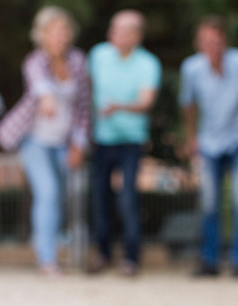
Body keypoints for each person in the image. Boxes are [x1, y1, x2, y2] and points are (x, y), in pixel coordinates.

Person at [0, 6, 90, 276]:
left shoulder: (78, 61)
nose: (61, 36)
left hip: (63, 141)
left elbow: (83, 107)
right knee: (47, 192)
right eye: (55, 31)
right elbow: (39, 84)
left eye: (65, 30)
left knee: (61, 197)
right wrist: (47, 97)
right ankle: (46, 260)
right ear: (43, 35)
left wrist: (79, 143)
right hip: (34, 139)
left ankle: (54, 250)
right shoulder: (34, 60)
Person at [179, 15, 238, 277]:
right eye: (206, 42)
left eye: (217, 41)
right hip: (209, 142)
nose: (212, 47)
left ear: (225, 42)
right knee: (209, 203)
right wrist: (191, 137)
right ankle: (210, 262)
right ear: (199, 43)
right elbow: (187, 104)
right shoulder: (192, 69)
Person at [88, 10, 162, 276]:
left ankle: (131, 258)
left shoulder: (148, 64)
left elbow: (146, 102)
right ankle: (103, 254)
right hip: (102, 139)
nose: (113, 33)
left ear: (135, 36)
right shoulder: (98, 55)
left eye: (119, 29)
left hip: (131, 140)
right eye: (112, 27)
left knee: (128, 198)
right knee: (99, 197)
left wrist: (118, 106)